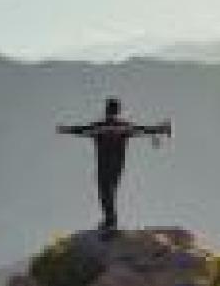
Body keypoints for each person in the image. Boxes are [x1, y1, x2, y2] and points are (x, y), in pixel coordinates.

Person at [56, 97, 171, 235]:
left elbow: (81, 130)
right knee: (110, 191)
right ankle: (110, 220)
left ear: (107, 110)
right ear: (118, 111)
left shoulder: (100, 126)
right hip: (117, 165)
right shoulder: (124, 126)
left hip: (104, 164)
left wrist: (65, 129)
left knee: (105, 191)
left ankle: (110, 222)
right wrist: (160, 129)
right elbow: (143, 130)